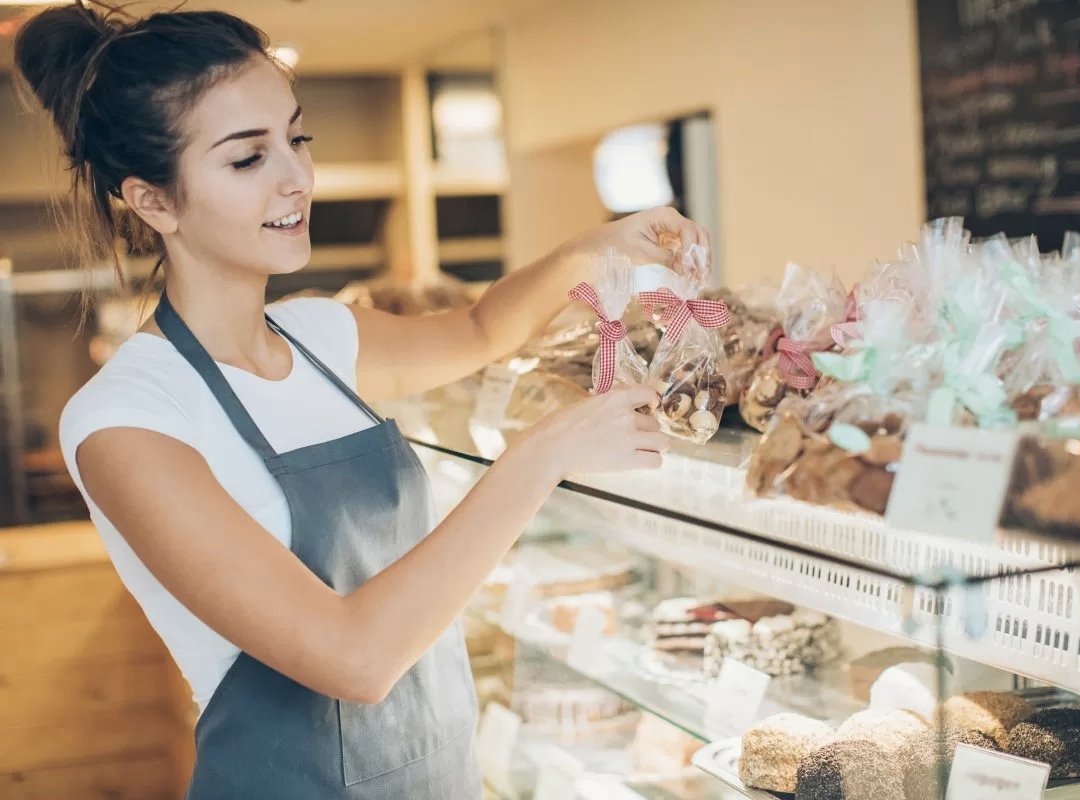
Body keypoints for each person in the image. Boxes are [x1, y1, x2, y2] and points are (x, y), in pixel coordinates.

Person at [16, 3, 705, 797]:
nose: (296, 176)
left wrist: (596, 245)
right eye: (247, 159)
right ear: (154, 202)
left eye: (296, 138)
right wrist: (541, 456)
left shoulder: (318, 334)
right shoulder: (127, 418)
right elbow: (353, 658)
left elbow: (481, 329)